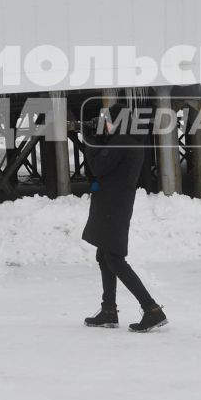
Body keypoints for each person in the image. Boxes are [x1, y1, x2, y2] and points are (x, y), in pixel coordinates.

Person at [80, 97, 167, 333]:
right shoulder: (128, 140)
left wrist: (90, 141)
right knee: (104, 255)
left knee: (114, 258)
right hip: (115, 203)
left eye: (107, 121)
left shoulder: (122, 141)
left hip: (113, 205)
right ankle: (108, 309)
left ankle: (151, 309)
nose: (104, 124)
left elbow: (98, 167)